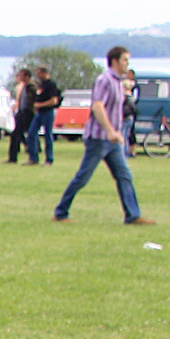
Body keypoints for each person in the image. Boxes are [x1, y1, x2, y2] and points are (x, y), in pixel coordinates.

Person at [54, 46, 153, 226]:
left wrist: (118, 133)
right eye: (124, 60)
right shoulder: (104, 80)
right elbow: (98, 106)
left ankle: (133, 215)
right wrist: (109, 130)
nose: (127, 63)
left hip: (112, 141)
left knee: (125, 175)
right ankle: (61, 212)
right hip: (99, 138)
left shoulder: (119, 82)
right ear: (115, 61)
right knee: (83, 177)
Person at [28, 65, 61, 165]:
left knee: (48, 135)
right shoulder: (42, 85)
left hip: (48, 112)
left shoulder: (51, 85)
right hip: (40, 113)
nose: (37, 76)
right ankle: (33, 158)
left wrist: (40, 105)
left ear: (43, 73)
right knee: (31, 134)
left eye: (39, 73)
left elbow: (54, 101)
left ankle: (49, 159)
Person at [7, 69, 33, 162]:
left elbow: (32, 101)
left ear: (27, 76)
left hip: (28, 114)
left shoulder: (31, 87)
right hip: (22, 113)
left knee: (30, 135)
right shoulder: (24, 87)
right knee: (16, 134)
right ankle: (13, 157)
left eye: (21, 75)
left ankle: (32, 156)